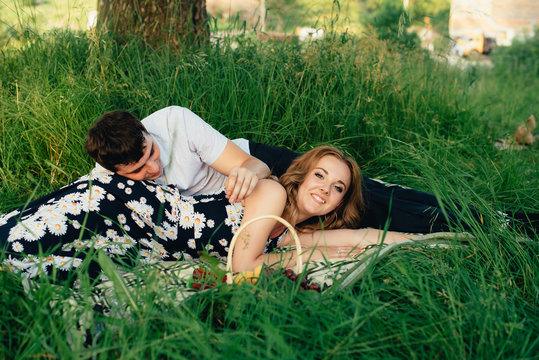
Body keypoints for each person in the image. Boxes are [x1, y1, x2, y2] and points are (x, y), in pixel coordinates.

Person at [0, 144, 413, 284]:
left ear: (340, 202)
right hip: (135, 210)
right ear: (302, 177)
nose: (325, 188)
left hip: (146, 240)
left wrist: (417, 244)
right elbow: (243, 263)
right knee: (22, 242)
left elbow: (359, 238)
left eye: (337, 187)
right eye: (320, 176)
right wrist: (302, 256)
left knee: (52, 264)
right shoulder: (269, 194)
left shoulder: (287, 232)